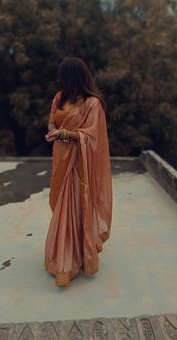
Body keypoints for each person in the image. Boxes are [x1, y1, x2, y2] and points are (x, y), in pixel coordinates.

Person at [44, 57, 113, 287]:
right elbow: (52, 122)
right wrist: (54, 132)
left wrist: (64, 135)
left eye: (62, 75)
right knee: (60, 204)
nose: (58, 79)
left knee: (73, 206)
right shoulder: (59, 97)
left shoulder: (92, 104)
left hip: (80, 163)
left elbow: (91, 136)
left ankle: (71, 261)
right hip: (61, 158)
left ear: (72, 76)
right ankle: (65, 254)